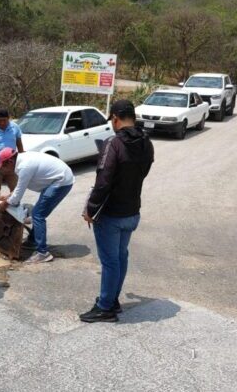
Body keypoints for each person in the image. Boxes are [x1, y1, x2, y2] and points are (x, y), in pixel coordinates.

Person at [79, 100, 154, 323]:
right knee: (120, 257)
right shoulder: (146, 142)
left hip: (111, 215)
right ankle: (112, 300)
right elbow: (144, 171)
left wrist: (90, 209)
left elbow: (103, 181)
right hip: (132, 212)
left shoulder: (113, 143)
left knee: (111, 261)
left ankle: (105, 307)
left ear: (115, 118)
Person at [0, 149, 74, 264]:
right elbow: (20, 186)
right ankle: (33, 240)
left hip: (61, 181)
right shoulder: (21, 162)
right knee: (37, 212)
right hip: (55, 180)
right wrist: (8, 196)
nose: (3, 169)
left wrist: (6, 203)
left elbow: (18, 194)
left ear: (10, 161)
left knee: (38, 215)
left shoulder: (24, 166)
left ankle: (43, 253)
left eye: (3, 166)